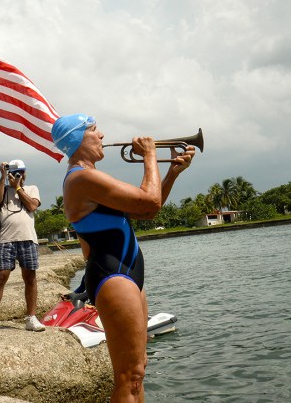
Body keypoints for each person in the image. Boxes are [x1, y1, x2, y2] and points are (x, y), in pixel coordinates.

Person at [51, 113, 195, 402]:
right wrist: (150, 155)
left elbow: (145, 210)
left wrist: (172, 174)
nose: (102, 135)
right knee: (128, 377)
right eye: (93, 130)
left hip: (128, 272)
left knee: (139, 370)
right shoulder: (81, 178)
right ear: (77, 139)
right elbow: (150, 200)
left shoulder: (91, 177)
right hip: (112, 275)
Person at [0, 159, 46, 336]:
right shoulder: (3, 190)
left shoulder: (32, 188)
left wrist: (18, 188)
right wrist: (3, 178)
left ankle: (31, 317)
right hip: (6, 240)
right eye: (16, 172)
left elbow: (32, 206)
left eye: (22, 172)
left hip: (28, 239)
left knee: (30, 277)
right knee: (0, 277)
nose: (19, 175)